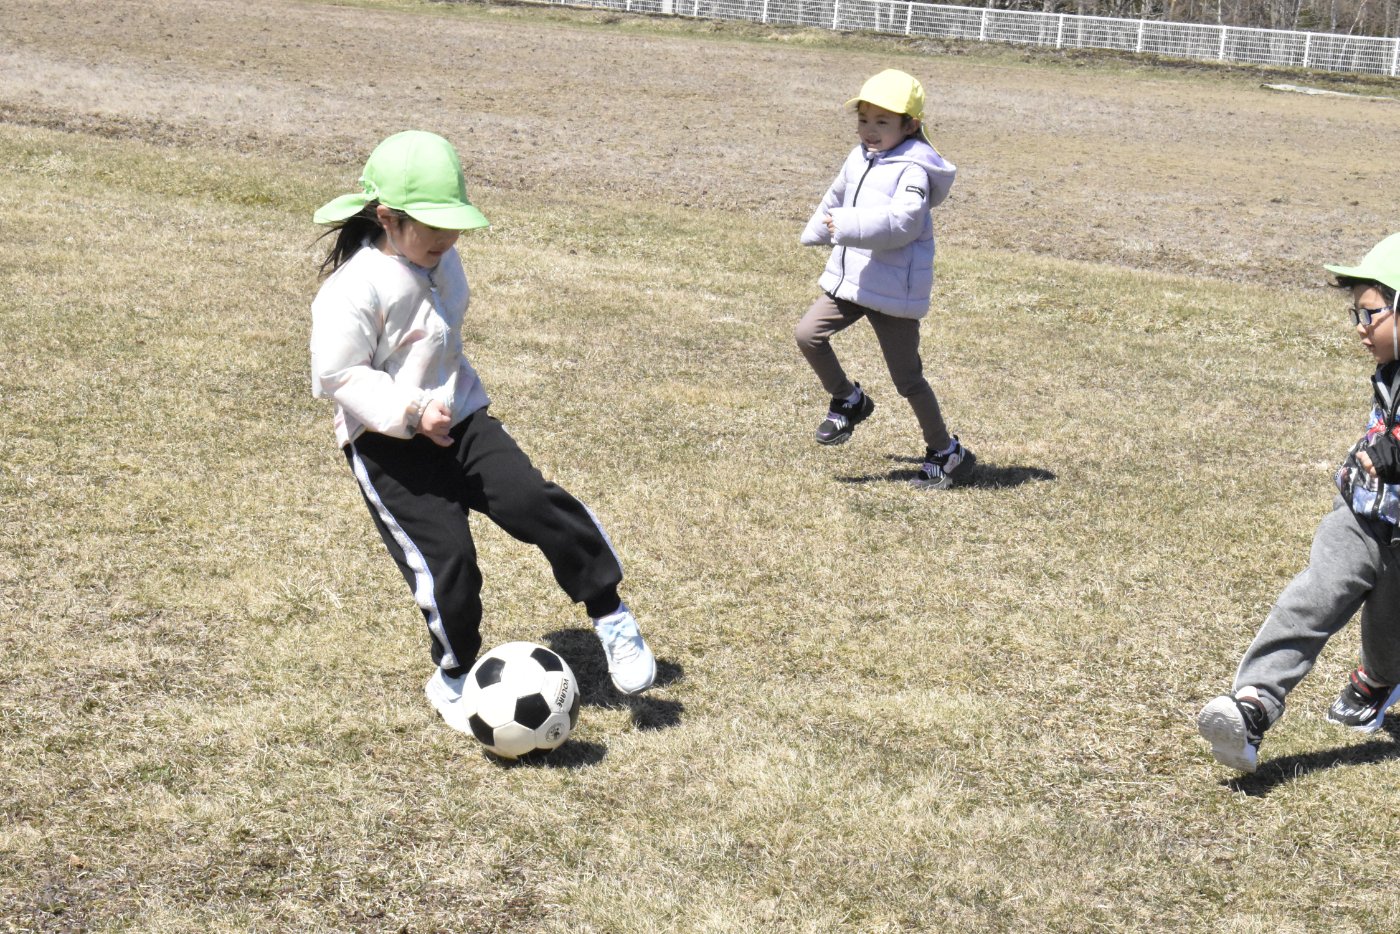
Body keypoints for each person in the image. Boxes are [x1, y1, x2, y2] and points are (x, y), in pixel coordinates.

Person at [309, 131, 656, 734]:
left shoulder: (439, 257)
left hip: (462, 418)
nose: (449, 240)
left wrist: (443, 404)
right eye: (434, 228)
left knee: (533, 501)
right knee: (450, 560)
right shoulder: (354, 287)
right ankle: (454, 673)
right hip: (390, 446)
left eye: (454, 226)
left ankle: (611, 614)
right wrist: (411, 412)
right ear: (388, 218)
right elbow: (336, 373)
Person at [1197, 233, 1400, 773]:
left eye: (1371, 314)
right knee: (1310, 601)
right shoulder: (1391, 369)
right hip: (1360, 518)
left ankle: (1377, 680)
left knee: (1390, 641)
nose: (1360, 327)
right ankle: (1253, 706)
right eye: (1356, 314)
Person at [795, 69, 974, 489]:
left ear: (910, 126)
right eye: (863, 120)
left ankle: (946, 452)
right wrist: (817, 229)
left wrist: (845, 225)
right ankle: (849, 399)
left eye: (882, 122)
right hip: (855, 280)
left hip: (894, 292)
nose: (869, 131)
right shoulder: (859, 157)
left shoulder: (915, 169)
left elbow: (904, 223)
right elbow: (836, 196)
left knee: (907, 379)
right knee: (808, 335)